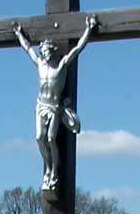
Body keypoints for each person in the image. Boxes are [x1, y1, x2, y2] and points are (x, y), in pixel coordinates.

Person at [14, 15, 98, 193]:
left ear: (52, 51)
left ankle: (53, 170)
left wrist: (89, 30)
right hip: (40, 105)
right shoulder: (40, 65)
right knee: (39, 138)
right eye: (43, 50)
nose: (44, 53)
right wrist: (19, 33)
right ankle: (48, 167)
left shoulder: (61, 66)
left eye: (47, 50)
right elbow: (28, 49)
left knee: (51, 139)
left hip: (54, 108)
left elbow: (77, 49)